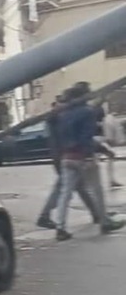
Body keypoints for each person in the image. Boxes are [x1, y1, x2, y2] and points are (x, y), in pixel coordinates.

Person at [54, 84, 125, 241]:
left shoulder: (63, 113)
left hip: (67, 157)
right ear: (84, 95)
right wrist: (96, 152)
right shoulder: (87, 112)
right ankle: (104, 221)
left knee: (65, 193)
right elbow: (86, 137)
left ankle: (60, 227)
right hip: (83, 156)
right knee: (97, 190)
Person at [37, 96, 100, 229]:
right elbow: (79, 137)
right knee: (62, 190)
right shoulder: (60, 119)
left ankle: (96, 213)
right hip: (65, 157)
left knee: (80, 188)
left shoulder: (55, 119)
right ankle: (45, 216)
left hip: (61, 157)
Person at [93, 100, 123, 188]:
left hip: (96, 138)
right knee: (108, 156)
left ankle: (107, 180)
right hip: (98, 139)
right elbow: (100, 123)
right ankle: (110, 180)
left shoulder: (92, 110)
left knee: (97, 159)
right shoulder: (98, 111)